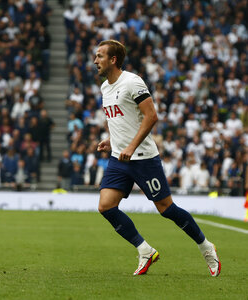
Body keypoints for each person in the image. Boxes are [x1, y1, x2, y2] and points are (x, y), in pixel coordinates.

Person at [94, 40, 221, 277]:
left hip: (143, 157)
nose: (95, 61)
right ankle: (145, 250)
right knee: (106, 206)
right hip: (119, 158)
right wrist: (112, 141)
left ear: (113, 60)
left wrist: (131, 146)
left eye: (100, 56)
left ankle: (206, 247)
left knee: (166, 209)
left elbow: (151, 116)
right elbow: (119, 120)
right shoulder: (104, 88)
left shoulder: (132, 81)